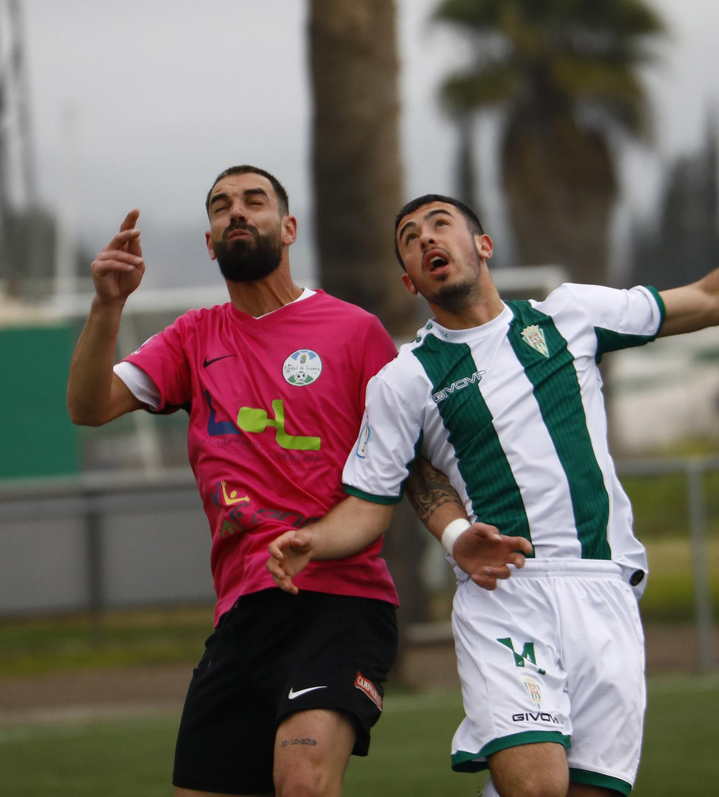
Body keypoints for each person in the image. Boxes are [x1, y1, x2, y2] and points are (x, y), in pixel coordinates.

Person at [267, 193, 719, 797]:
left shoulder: (569, 315)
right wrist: (315, 541)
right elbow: (379, 497)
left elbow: (713, 299)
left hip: (604, 590)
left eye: (439, 223)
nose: (426, 238)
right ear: (410, 280)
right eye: (409, 239)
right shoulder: (404, 380)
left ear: (482, 244)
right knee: (538, 784)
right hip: (507, 593)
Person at [65, 167, 507, 797]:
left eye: (254, 201)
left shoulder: (355, 332)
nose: (236, 212)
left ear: (289, 227)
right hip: (242, 611)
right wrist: (108, 304)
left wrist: (458, 532)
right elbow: (89, 405)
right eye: (221, 207)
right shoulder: (194, 337)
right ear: (211, 242)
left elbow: (413, 463)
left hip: (339, 600)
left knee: (300, 780)